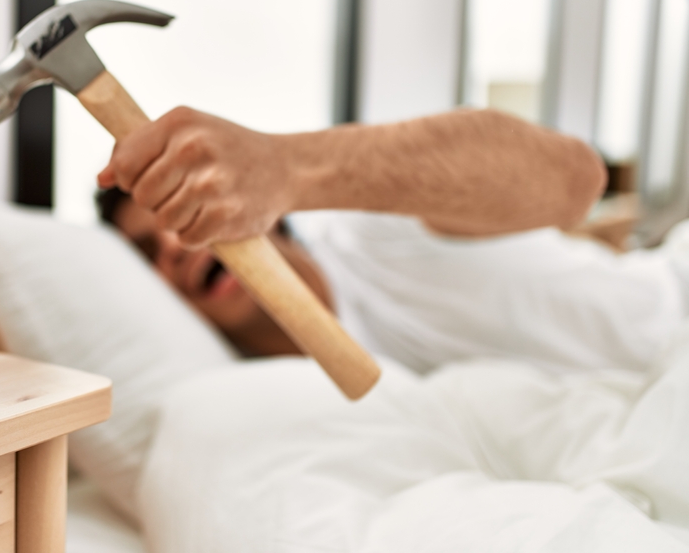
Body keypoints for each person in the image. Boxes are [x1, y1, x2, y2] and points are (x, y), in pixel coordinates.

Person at [95, 106, 688, 372]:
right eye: (148, 253)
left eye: (181, 213)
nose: (173, 246)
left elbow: (574, 181)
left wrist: (286, 167)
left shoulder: (365, 227)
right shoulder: (250, 388)